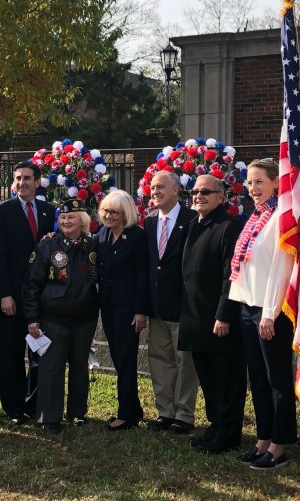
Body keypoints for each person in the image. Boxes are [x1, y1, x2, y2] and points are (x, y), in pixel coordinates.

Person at [229, 158, 296, 470]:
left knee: (277, 380)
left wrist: (269, 313)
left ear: (275, 183)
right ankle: (263, 438)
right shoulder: (256, 215)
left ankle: (279, 445)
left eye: (259, 182)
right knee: (256, 378)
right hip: (248, 307)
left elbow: (281, 269)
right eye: (250, 182)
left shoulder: (281, 216)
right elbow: (245, 266)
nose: (253, 188)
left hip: (270, 311)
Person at [179, 175, 245, 454]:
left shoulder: (229, 226)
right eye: (195, 191)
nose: (199, 196)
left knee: (226, 381)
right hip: (196, 317)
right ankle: (216, 426)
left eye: (206, 192)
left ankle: (229, 434)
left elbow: (231, 275)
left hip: (219, 319)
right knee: (208, 379)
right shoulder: (196, 223)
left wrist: (224, 315)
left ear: (221, 196)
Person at [22, 199, 100, 434]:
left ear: (83, 221)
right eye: (63, 218)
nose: (66, 221)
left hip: (84, 319)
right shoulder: (47, 246)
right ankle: (50, 416)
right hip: (52, 319)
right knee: (51, 369)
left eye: (71, 217)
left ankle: (77, 413)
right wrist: (32, 318)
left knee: (80, 367)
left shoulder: (93, 246)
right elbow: (31, 286)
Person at [0, 162, 54, 425]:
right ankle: (14, 407)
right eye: (17, 178)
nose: (22, 182)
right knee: (11, 353)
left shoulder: (48, 210)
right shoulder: (1, 211)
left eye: (27, 178)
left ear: (37, 182)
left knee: (40, 352)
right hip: (13, 296)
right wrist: (5, 294)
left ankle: (35, 404)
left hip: (41, 296)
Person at [143, 171, 199, 433]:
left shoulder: (191, 220)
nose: (155, 192)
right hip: (157, 307)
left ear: (176, 191)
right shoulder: (149, 221)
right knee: (159, 360)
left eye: (161, 187)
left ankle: (184, 415)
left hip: (183, 306)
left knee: (185, 362)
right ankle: (165, 412)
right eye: (152, 188)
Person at [96, 190, 148, 431]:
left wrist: (140, 310)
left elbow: (142, 276)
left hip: (128, 308)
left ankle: (127, 413)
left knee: (126, 359)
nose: (108, 215)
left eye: (114, 212)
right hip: (108, 305)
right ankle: (134, 407)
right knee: (118, 357)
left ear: (125, 213)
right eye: (105, 210)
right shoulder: (102, 234)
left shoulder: (136, 236)